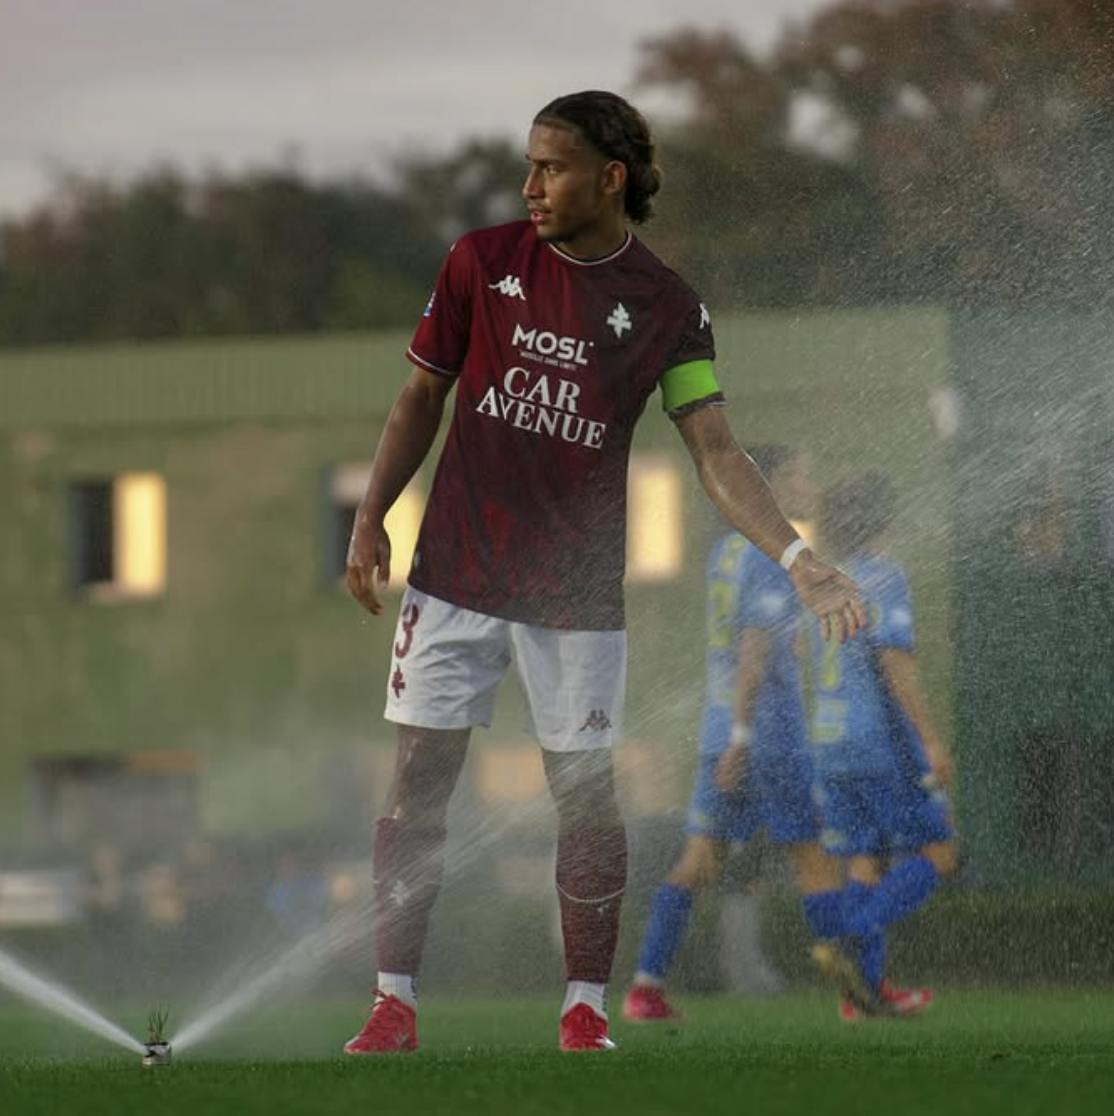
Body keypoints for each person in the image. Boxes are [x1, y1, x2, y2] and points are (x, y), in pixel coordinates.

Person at [342, 89, 865, 1055]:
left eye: (552, 167)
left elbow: (715, 450)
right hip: (453, 574)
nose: (530, 186)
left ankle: (585, 1008)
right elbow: (422, 394)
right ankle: (393, 1002)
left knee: (584, 795)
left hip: (575, 598)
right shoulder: (481, 261)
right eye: (529, 166)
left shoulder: (667, 308)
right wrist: (373, 515)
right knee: (417, 783)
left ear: (609, 177)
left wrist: (796, 556)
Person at [623, 446, 848, 1022]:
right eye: (798, 473)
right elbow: (753, 650)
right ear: (768, 485)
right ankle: (860, 991)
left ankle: (645, 987)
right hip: (764, 737)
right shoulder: (768, 553)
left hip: (717, 730)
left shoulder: (724, 554)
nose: (807, 482)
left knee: (698, 862)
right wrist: (745, 738)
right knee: (814, 855)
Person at [806, 474, 958, 1018]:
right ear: (883, 518)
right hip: (879, 743)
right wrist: (933, 742)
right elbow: (896, 666)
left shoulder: (825, 583)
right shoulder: (884, 576)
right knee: (939, 850)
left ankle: (860, 995)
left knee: (864, 861)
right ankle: (854, 934)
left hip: (830, 741)